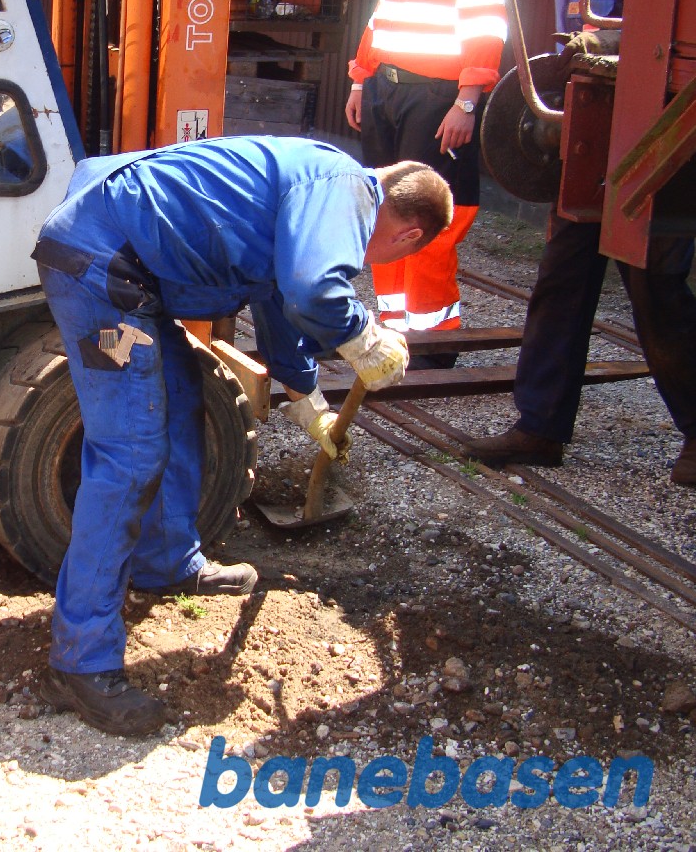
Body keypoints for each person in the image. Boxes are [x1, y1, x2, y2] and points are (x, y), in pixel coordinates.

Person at [31, 138, 454, 736]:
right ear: (409, 235)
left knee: (179, 403)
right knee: (130, 455)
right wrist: (365, 339)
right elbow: (314, 291)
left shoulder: (313, 186)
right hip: (102, 269)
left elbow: (283, 303)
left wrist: (311, 406)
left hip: (126, 268)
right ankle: (81, 662)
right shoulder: (348, 190)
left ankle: (165, 562)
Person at [463, 0, 696, 487]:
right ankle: (538, 425)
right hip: (589, 117)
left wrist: (609, 42)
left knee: (654, 285)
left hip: (651, 125)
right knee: (560, 277)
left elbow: (663, 21)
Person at [345, 0, 508, 364]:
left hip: (437, 96)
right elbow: (384, 11)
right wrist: (361, 77)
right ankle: (392, 329)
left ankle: (435, 341)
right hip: (387, 88)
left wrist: (468, 100)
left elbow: (488, 25)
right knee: (382, 207)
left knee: (434, 213)